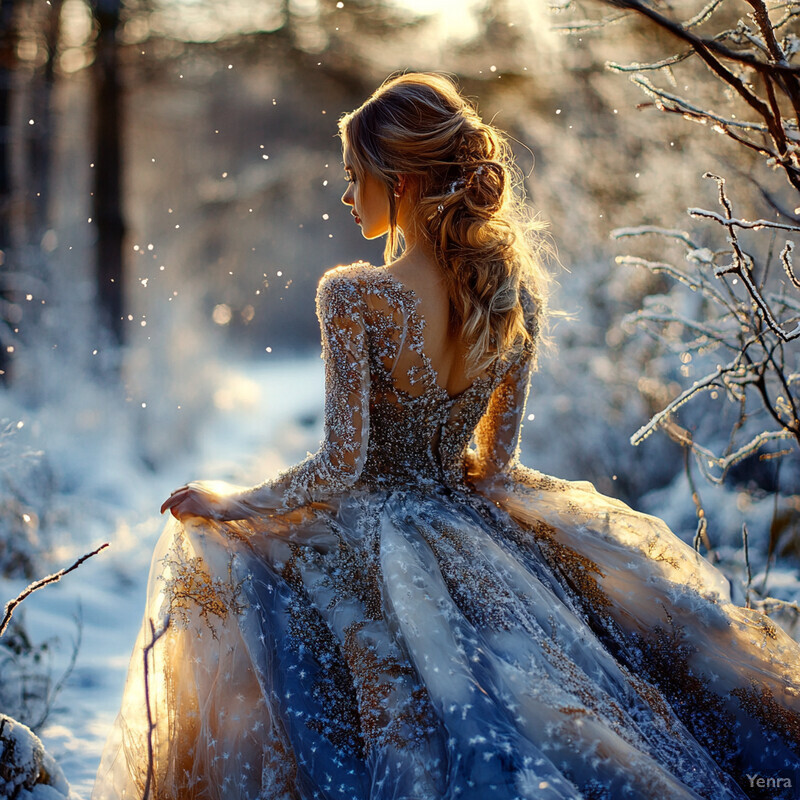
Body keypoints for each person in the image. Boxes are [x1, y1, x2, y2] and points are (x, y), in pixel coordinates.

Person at [93, 73, 800, 800]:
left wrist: (236, 503)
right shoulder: (510, 289)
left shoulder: (355, 293)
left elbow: (341, 465)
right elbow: (494, 468)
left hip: (372, 530)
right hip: (470, 532)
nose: (345, 197)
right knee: (550, 693)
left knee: (220, 560)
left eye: (354, 177)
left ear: (398, 182)